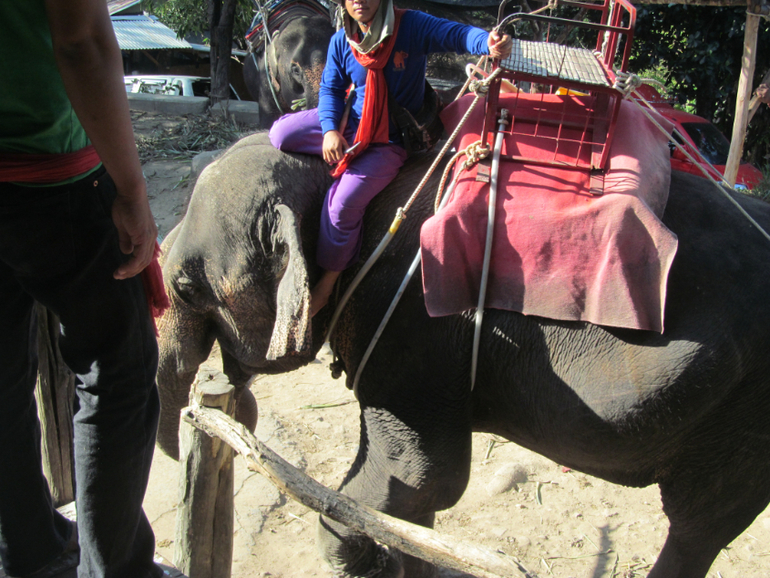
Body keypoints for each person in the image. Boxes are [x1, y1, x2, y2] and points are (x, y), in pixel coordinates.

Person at [0, 1, 165, 577]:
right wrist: (131, 190)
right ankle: (115, 570)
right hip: (51, 172)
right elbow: (81, 40)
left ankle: (27, 551)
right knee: (119, 372)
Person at [270, 0, 512, 316]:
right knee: (280, 135)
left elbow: (459, 35)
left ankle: (327, 285)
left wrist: (489, 42)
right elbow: (331, 87)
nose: (360, 1)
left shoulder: (411, 26)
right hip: (353, 122)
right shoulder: (343, 39)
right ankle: (338, 144)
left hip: (389, 140)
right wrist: (330, 129)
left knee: (342, 204)